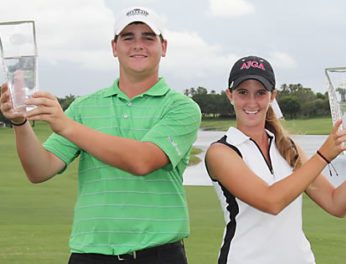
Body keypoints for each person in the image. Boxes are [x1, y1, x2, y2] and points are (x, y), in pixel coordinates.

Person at [0, 6, 201, 264]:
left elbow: (142, 161)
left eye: (148, 37)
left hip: (158, 254)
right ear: (114, 47)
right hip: (91, 254)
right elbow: (40, 170)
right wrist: (20, 122)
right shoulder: (85, 107)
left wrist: (65, 125)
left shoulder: (181, 107)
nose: (138, 45)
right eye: (128, 37)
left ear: (163, 47)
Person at [205, 55, 346, 264]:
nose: (251, 102)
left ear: (272, 96)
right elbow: (271, 201)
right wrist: (323, 156)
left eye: (260, 93)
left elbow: (336, 204)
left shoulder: (288, 147)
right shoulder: (221, 152)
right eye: (242, 93)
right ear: (230, 95)